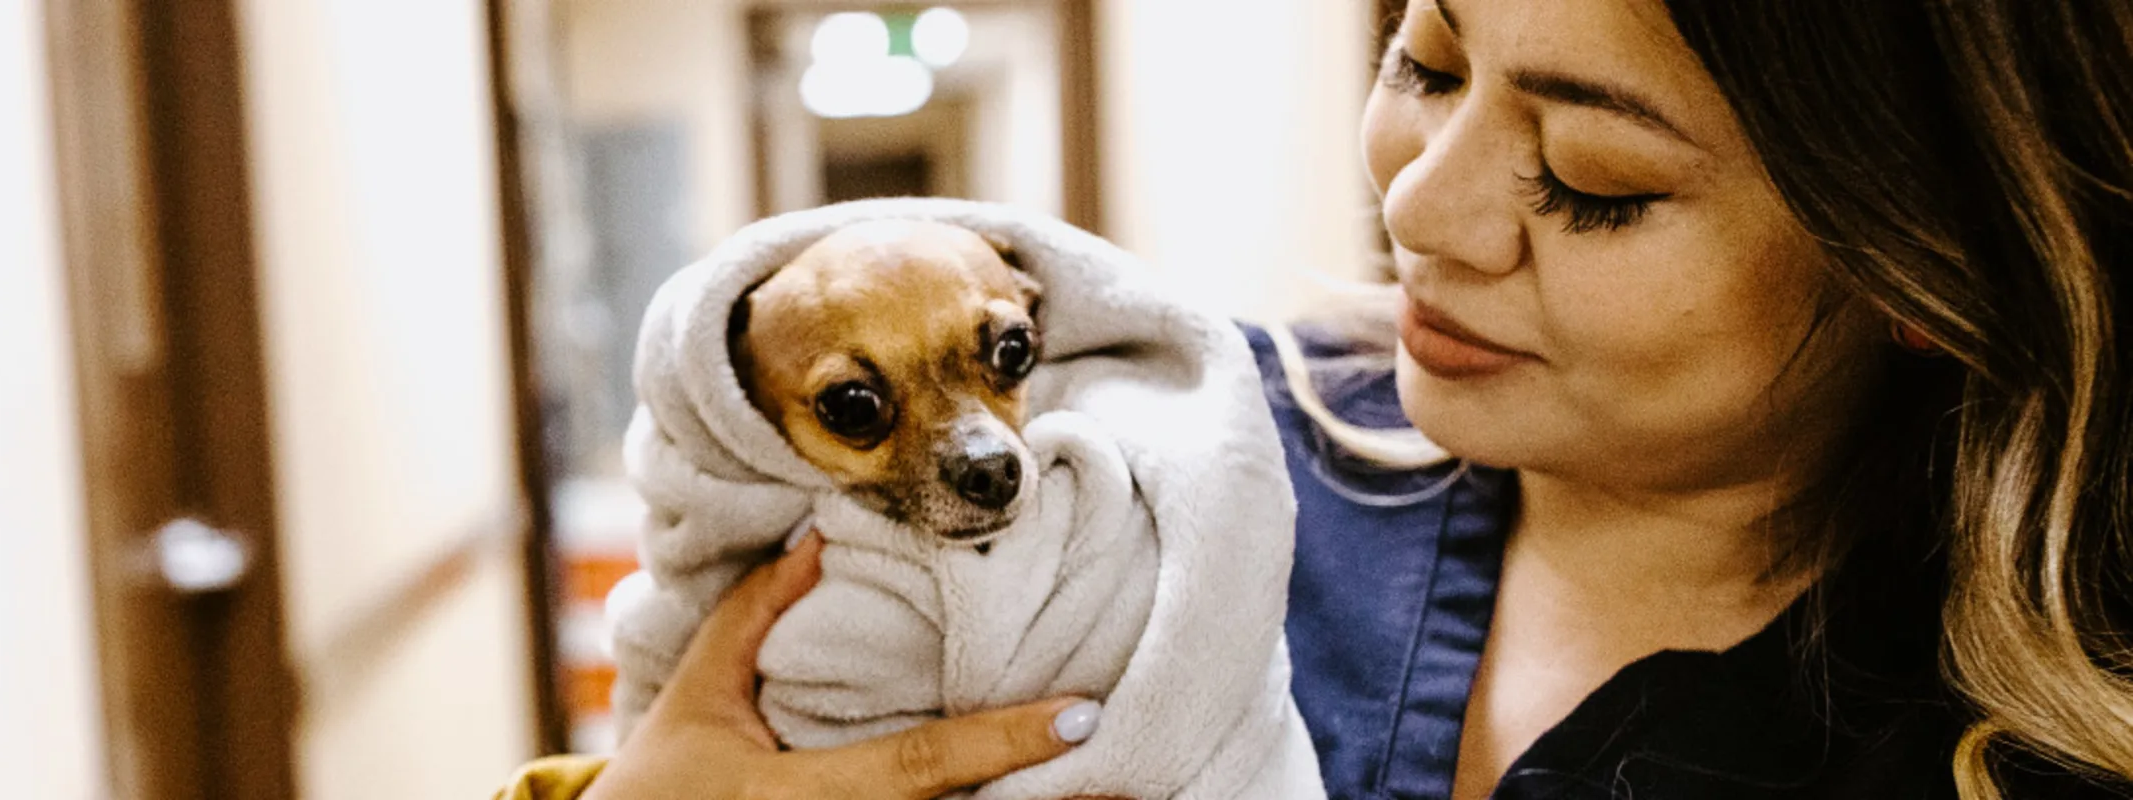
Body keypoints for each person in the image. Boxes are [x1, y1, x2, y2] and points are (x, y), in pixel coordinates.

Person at [504, 0, 2133, 796]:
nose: (1418, 206)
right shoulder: (1164, 473)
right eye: (1427, 66)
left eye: (1590, 179)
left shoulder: (1999, 745)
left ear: (1924, 275)